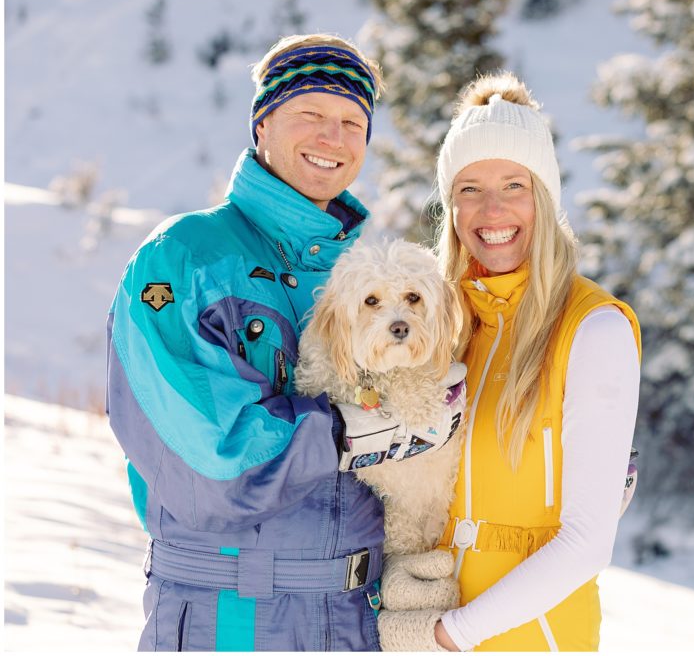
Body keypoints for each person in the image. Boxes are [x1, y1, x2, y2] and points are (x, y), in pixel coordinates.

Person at [105, 33, 465, 651]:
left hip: (357, 618)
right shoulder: (184, 259)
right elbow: (208, 463)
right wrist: (341, 432)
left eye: (353, 121)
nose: (334, 138)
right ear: (263, 123)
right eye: (311, 114)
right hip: (233, 618)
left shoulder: (365, 275)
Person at [375, 73, 642, 651]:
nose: (490, 209)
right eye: (469, 188)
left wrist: (451, 635)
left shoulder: (593, 328)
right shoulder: (444, 325)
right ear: (449, 208)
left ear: (544, 195)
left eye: (513, 185)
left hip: (529, 639)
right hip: (430, 623)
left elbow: (588, 540)